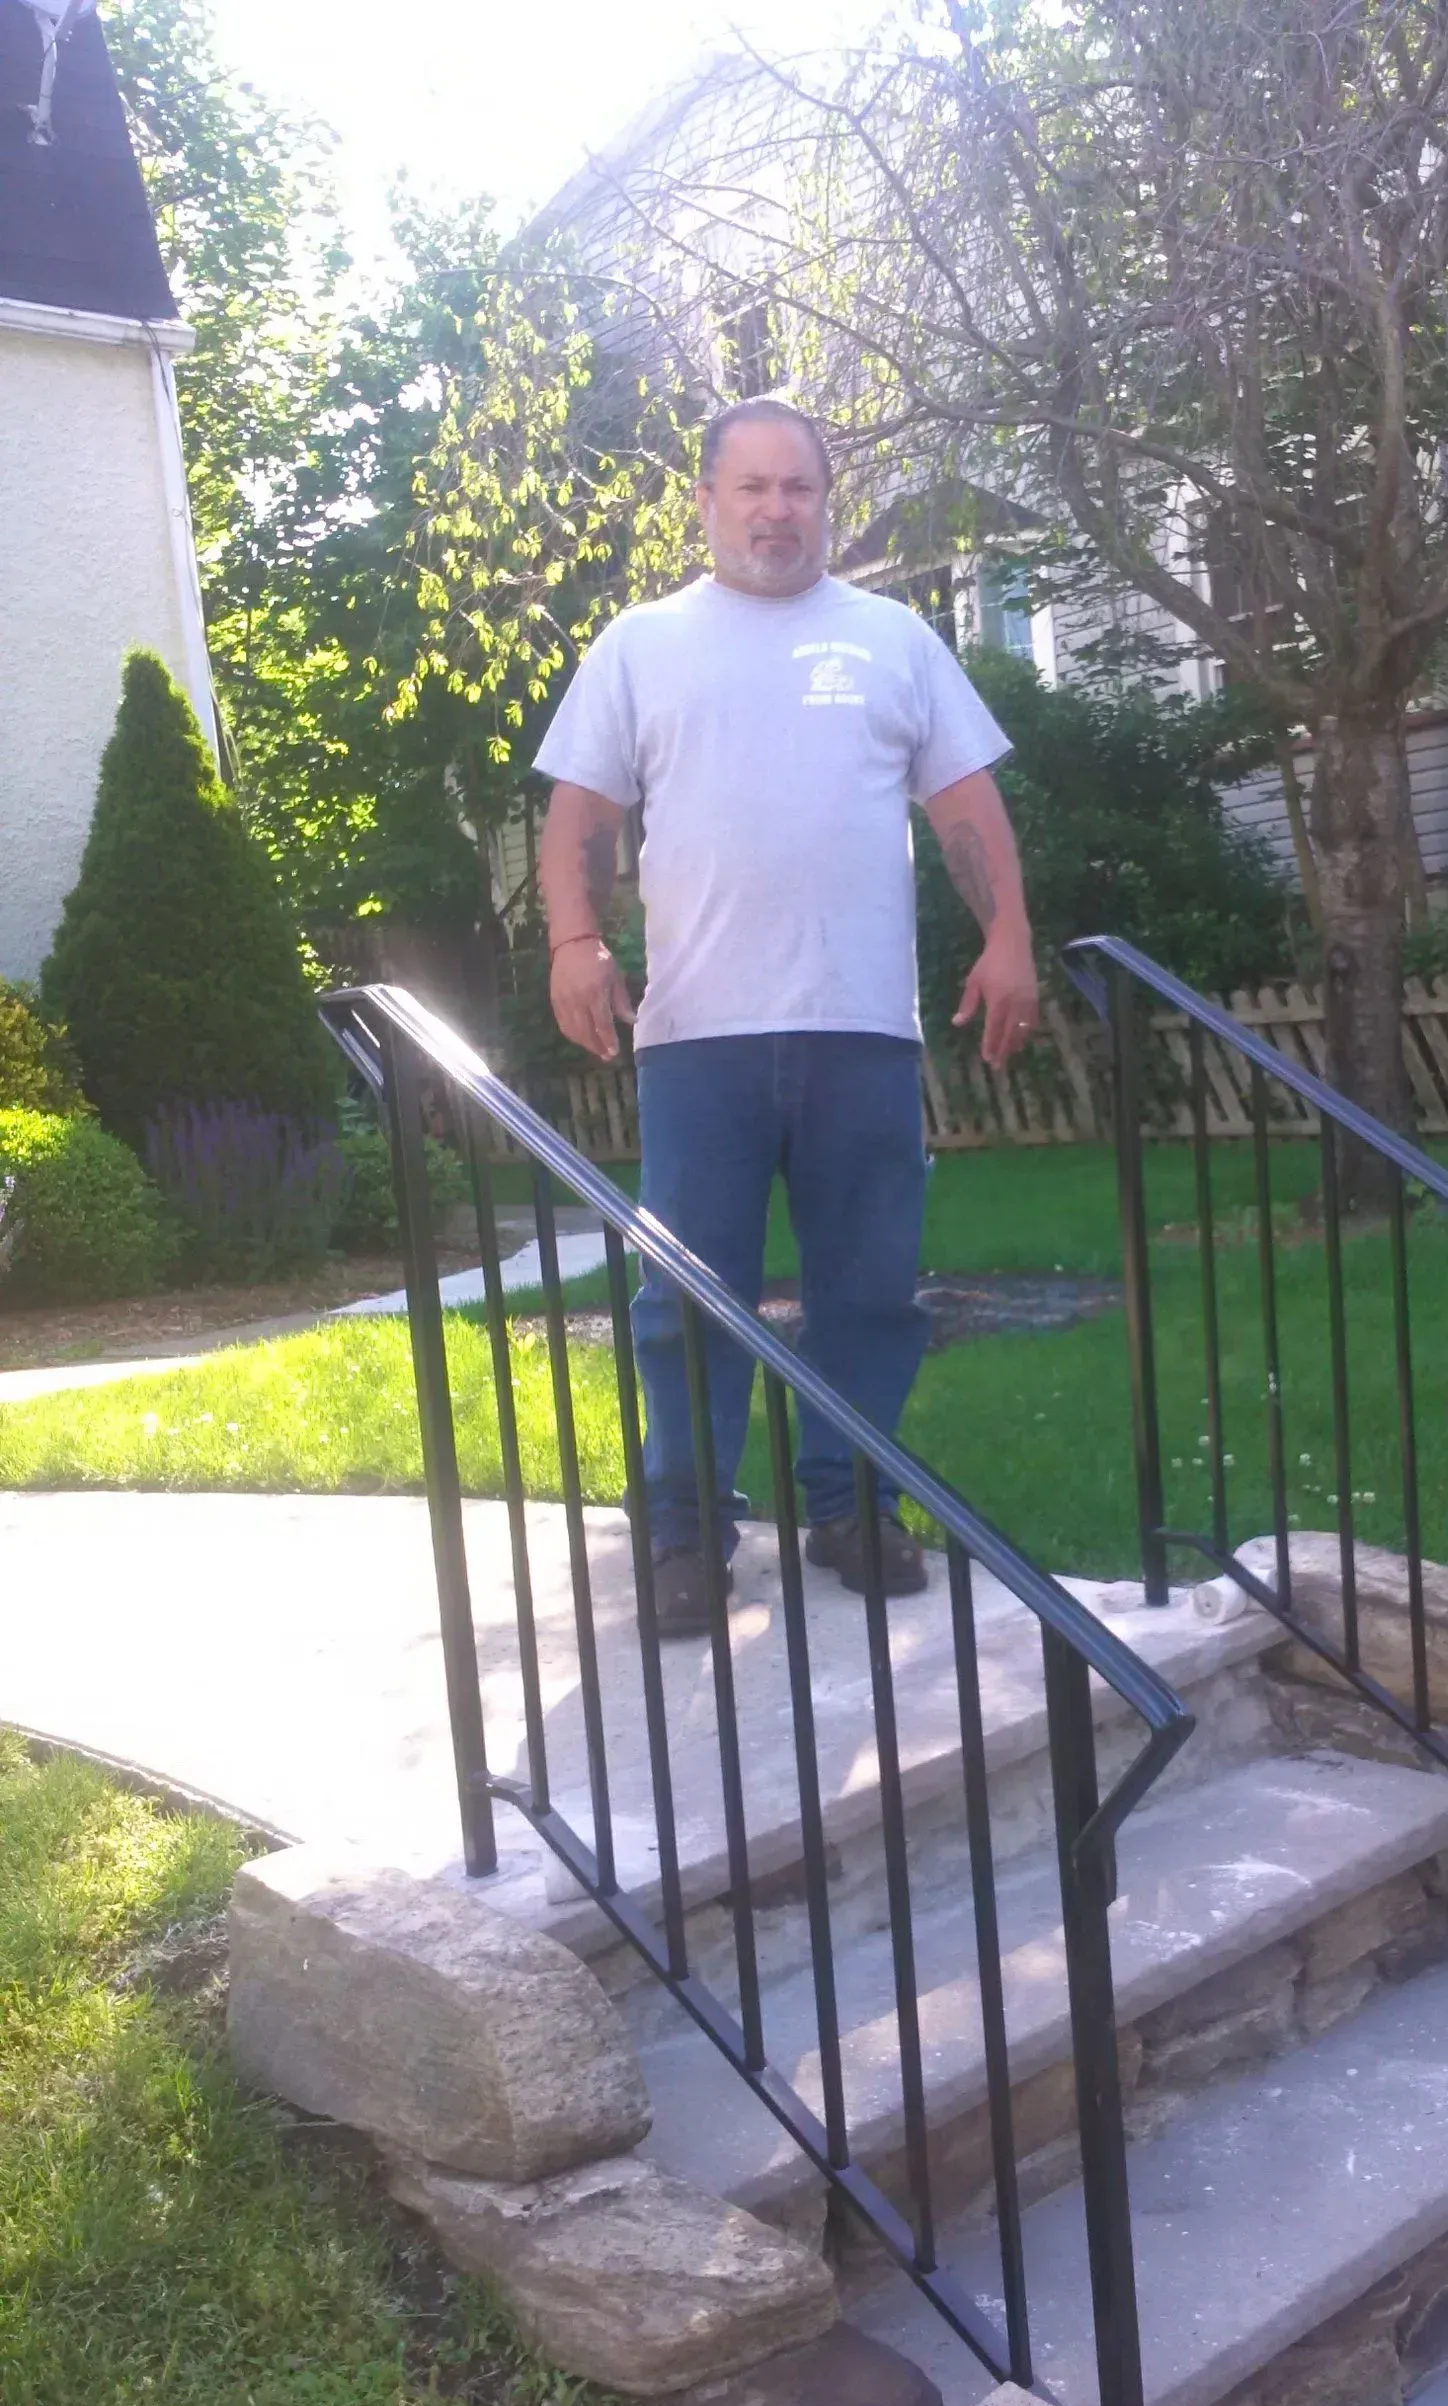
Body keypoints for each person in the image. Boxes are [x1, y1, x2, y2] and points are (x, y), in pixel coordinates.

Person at [533, 396, 1040, 1636]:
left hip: (861, 1028)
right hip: (698, 1035)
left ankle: (850, 1500)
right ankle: (687, 1531)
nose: (775, 511)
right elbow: (580, 818)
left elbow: (966, 806)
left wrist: (1010, 935)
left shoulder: (893, 639)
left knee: (868, 1291)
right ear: (706, 502)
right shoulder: (642, 645)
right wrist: (575, 941)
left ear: (828, 501)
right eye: (750, 488)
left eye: (798, 488)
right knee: (684, 1302)